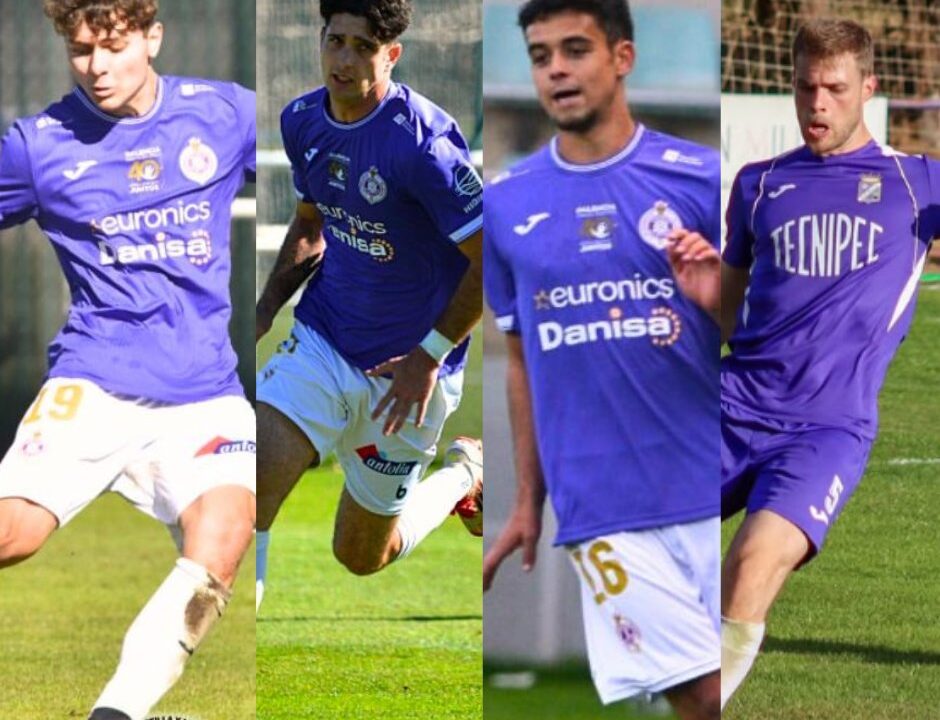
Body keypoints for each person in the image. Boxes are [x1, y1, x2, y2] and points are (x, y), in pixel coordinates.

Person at [0, 1, 256, 719]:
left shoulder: (226, 114)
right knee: (12, 536)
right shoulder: (39, 146)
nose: (97, 67)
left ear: (152, 38)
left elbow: (322, 162)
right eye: (81, 51)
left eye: (112, 48)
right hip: (96, 380)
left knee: (223, 545)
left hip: (206, 391)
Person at [482, 0, 721, 717]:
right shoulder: (506, 204)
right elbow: (520, 357)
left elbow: (761, 334)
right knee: (703, 696)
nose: (555, 68)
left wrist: (718, 294)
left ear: (622, 58)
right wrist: (528, 497)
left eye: (575, 49)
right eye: (540, 54)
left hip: (712, 482)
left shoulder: (705, 181)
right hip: (601, 503)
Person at [719, 18, 940, 710]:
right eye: (805, 87)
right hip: (728, 407)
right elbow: (721, 314)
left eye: (835, 89)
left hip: (824, 431)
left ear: (868, 90)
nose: (818, 104)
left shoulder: (917, 184)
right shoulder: (758, 185)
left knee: (750, 568)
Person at [254, 0, 483, 610]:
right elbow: (310, 228)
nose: (344, 59)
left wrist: (429, 356)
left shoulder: (424, 146)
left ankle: (465, 475)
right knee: (246, 493)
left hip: (408, 376)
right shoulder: (301, 120)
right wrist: (261, 310)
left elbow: (495, 262)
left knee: (361, 557)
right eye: (335, 41)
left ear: (392, 55)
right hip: (323, 344)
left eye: (361, 46)